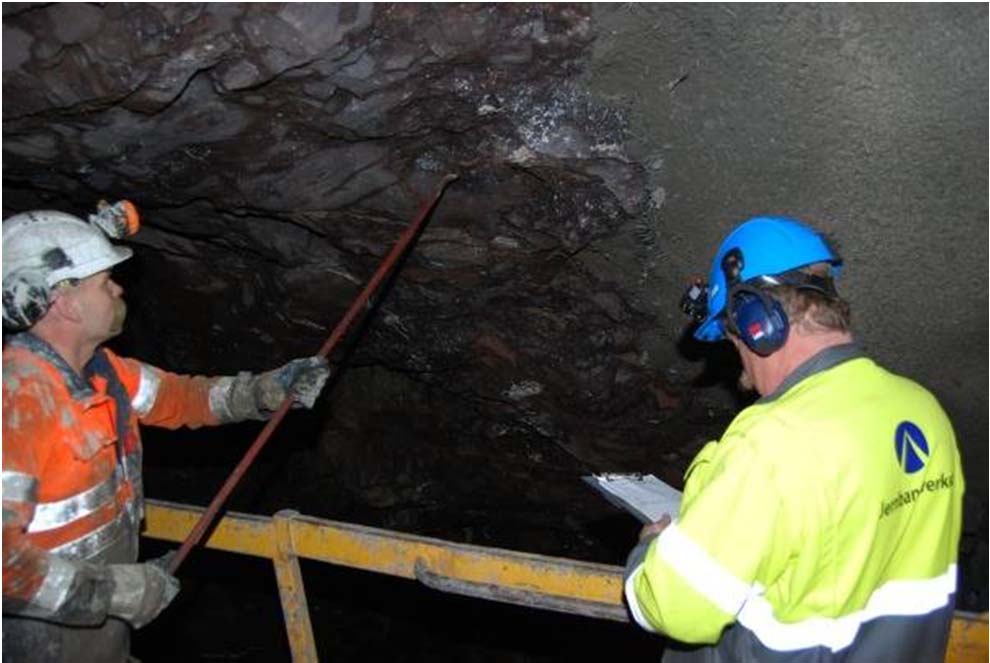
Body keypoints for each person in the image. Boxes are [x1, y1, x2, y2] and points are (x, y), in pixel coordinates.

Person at [1, 203, 332, 663]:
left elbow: (185, 400)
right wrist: (116, 592)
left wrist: (270, 390)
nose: (118, 288)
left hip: (98, 637)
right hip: (35, 643)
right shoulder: (16, 401)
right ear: (64, 302)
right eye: (104, 282)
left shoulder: (103, 374)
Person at [624, 216, 964, 662]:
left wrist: (649, 551)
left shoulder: (773, 440)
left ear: (756, 324)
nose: (739, 359)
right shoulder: (922, 410)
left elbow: (675, 607)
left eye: (732, 337)